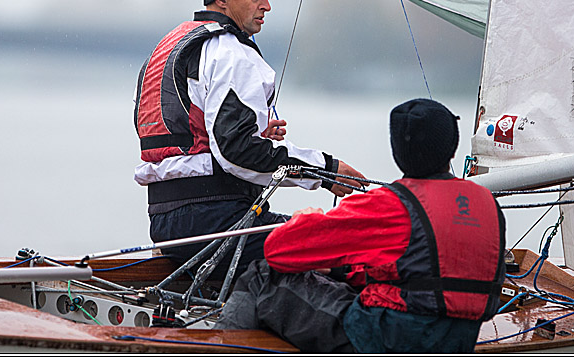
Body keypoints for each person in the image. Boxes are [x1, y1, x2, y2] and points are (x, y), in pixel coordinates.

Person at [133, 0, 366, 274]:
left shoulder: (171, 45)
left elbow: (189, 134)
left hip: (165, 223)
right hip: (213, 220)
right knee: (345, 245)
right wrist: (326, 170)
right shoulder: (230, 52)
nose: (267, 5)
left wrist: (256, 134)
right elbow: (236, 152)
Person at [216, 98, 507, 353]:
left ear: (398, 152)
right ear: (452, 150)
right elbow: (423, 273)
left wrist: (307, 217)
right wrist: (342, 271)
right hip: (457, 340)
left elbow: (278, 250)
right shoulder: (486, 203)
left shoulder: (390, 204)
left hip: (385, 338)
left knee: (261, 275)